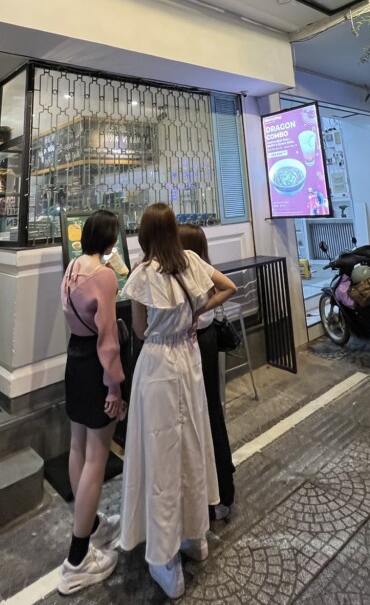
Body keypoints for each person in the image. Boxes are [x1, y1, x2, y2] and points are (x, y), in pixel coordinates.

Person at [120, 203, 237, 599]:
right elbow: (228, 287)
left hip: (157, 365)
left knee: (161, 454)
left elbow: (139, 330)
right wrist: (195, 312)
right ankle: (194, 537)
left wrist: (168, 324)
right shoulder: (191, 261)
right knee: (192, 444)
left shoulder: (142, 275)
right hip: (189, 360)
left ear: (144, 234)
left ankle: (164, 558)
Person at [58, 209, 125, 593]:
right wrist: (114, 387)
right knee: (97, 458)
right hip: (97, 368)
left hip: (74, 360)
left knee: (78, 447)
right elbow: (108, 339)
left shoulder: (72, 268)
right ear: (110, 240)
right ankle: (77, 558)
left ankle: (92, 524)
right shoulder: (104, 276)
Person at [178, 223, 235, 520]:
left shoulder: (190, 268)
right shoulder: (201, 267)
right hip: (206, 340)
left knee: (201, 415)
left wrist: (196, 312)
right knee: (209, 411)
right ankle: (221, 485)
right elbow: (228, 288)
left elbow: (229, 288)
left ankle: (216, 492)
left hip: (197, 343)